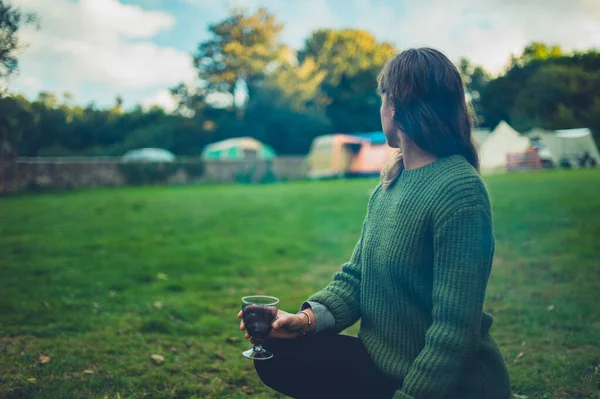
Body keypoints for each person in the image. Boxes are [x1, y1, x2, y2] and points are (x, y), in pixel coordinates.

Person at [237, 47, 511, 399]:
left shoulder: (460, 191)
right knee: (280, 355)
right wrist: (302, 322)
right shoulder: (391, 183)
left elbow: (454, 329)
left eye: (383, 98)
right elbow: (356, 278)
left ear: (395, 105)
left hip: (450, 385)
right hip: (382, 365)